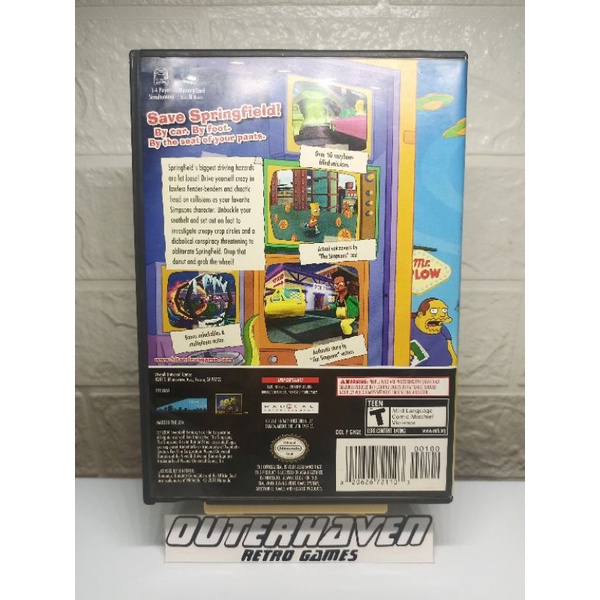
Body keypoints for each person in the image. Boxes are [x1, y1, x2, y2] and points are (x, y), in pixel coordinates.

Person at [410, 297, 457, 366]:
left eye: (444, 310)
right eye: (434, 311)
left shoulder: (441, 327)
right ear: (420, 314)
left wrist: (454, 364)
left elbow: (450, 347)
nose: (442, 314)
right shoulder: (410, 326)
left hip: (445, 369)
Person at [326, 270, 359, 337]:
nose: (337, 287)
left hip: (350, 317)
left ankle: (350, 336)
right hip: (342, 318)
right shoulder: (338, 298)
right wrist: (329, 307)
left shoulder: (350, 298)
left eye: (340, 284)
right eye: (335, 285)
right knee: (342, 325)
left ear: (346, 284)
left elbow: (358, 304)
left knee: (344, 325)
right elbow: (336, 305)